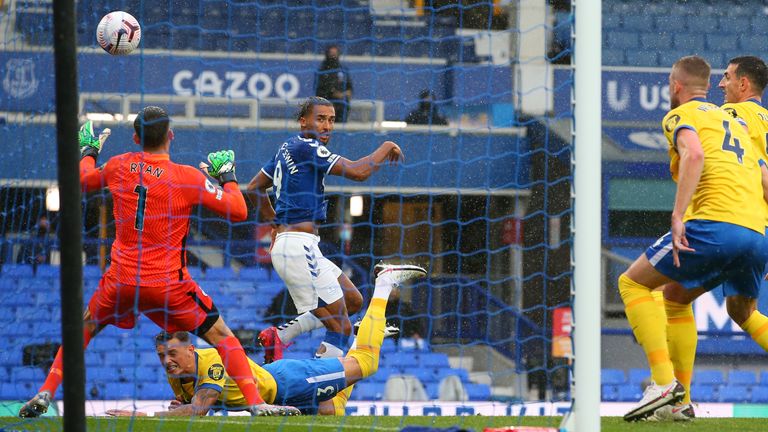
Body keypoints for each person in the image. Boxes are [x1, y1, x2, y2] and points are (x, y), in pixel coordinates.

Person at [19, 107, 298, 418]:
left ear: (136, 137)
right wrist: (227, 176)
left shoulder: (119, 165)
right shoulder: (187, 177)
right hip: (168, 283)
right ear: (171, 135)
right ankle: (257, 404)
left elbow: (82, 181)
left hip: (121, 279)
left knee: (83, 328)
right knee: (222, 337)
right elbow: (238, 211)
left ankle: (45, 392)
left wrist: (88, 151)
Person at [619, 56, 768, 422]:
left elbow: (695, 154)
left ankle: (664, 384)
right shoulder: (730, 118)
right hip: (756, 230)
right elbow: (763, 179)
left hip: (717, 224)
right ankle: (679, 404)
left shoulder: (691, 116)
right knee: (706, 303)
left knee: (632, 284)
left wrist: (678, 215)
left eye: (729, 77)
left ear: (675, 86)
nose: (722, 84)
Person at [104, 264, 426, 417]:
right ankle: (369, 333)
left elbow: (200, 410)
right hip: (282, 394)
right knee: (335, 411)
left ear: (191, 348)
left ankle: (384, 283)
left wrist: (141, 416)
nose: (166, 361)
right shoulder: (179, 374)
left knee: (365, 365)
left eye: (171, 353)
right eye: (162, 356)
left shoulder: (212, 361)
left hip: (289, 383)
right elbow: (196, 406)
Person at [247, 96, 406, 363]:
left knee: (353, 300)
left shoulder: (287, 148)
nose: (327, 126)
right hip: (297, 247)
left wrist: (274, 222)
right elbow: (358, 171)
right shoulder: (308, 148)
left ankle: (282, 337)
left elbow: (254, 187)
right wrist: (387, 145)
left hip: (303, 245)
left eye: (331, 120)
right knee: (341, 327)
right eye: (320, 119)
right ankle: (318, 389)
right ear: (303, 121)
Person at [315, 45, 353, 123]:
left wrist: (348, 92)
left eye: (335, 53)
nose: (333, 55)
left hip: (342, 103)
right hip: (327, 102)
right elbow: (320, 88)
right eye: (331, 53)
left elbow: (349, 85)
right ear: (327, 54)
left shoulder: (342, 69)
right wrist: (333, 93)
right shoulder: (322, 70)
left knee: (341, 117)